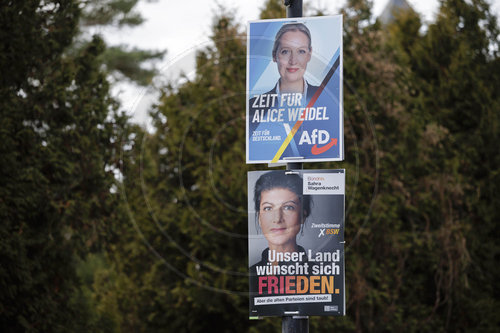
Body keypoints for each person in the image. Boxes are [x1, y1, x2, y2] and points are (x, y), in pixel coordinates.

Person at [248, 23, 319, 156]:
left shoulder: (325, 99)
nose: (293, 60)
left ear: (309, 55)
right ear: (275, 56)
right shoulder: (253, 107)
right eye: (285, 51)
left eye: (301, 51)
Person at [249, 171, 312, 271]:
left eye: (288, 207)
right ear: (259, 217)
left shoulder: (323, 274)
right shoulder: (249, 275)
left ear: (303, 216)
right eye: (268, 208)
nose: (277, 219)